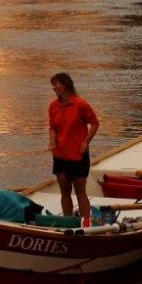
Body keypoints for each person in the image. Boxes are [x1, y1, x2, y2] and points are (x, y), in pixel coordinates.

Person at [47, 72, 99, 222]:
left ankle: (86, 223)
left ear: (66, 85)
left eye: (56, 84)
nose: (54, 88)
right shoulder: (53, 106)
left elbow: (95, 123)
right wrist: (52, 140)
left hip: (78, 155)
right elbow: (53, 127)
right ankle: (68, 222)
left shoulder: (80, 104)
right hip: (60, 155)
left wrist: (85, 142)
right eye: (53, 85)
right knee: (65, 191)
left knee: (80, 191)